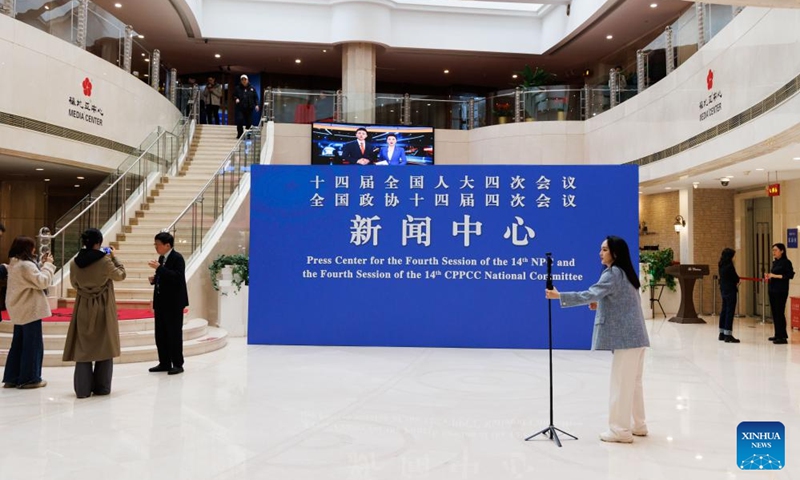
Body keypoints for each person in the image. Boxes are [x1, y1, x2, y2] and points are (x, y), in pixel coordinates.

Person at [544, 235, 650, 443]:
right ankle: (639, 425)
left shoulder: (612, 274)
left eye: (604, 250)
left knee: (621, 384)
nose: (600, 253)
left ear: (615, 253)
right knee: (633, 383)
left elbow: (590, 294)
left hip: (627, 339)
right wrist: (600, 304)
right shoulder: (626, 273)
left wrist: (560, 296)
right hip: (637, 337)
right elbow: (620, 302)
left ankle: (620, 431)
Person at [62, 229, 126, 398]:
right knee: (104, 345)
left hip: (83, 305)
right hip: (103, 306)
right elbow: (120, 275)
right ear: (98, 243)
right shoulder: (105, 261)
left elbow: (75, 284)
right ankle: (102, 387)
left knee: (83, 349)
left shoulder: (75, 263)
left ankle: (82, 390)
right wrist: (114, 257)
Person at [2, 236, 55, 389]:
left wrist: (41, 264)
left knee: (17, 344)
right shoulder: (25, 266)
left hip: (19, 308)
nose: (34, 249)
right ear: (27, 248)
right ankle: (29, 378)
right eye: (32, 247)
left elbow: (29, 277)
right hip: (29, 309)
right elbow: (43, 281)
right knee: (32, 345)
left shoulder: (15, 263)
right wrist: (48, 266)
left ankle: (12, 377)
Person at [147, 232, 189, 375]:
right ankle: (164, 362)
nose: (156, 247)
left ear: (167, 245)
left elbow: (177, 277)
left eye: (157, 244)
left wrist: (159, 269)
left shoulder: (177, 258)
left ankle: (177, 363)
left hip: (174, 303)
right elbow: (165, 276)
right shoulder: (162, 258)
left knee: (174, 333)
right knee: (161, 334)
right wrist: (155, 279)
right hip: (161, 302)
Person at [766, 242, 794, 345]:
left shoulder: (786, 262)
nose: (774, 252)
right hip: (772, 289)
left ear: (782, 251)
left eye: (776, 250)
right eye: (773, 250)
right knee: (775, 313)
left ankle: (782, 336)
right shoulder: (775, 262)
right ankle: (777, 334)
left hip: (781, 291)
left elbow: (789, 275)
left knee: (779, 312)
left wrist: (775, 276)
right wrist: (769, 276)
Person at [717, 247, 740, 343]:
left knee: (724, 310)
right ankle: (728, 335)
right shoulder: (730, 266)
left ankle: (722, 333)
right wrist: (738, 281)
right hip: (730, 290)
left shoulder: (721, 264)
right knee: (730, 311)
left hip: (723, 289)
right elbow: (735, 278)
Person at [233, 74, 260, 139]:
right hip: (240, 107)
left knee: (249, 122)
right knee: (240, 120)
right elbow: (233, 95)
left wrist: (256, 105)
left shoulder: (252, 88)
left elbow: (255, 97)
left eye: (245, 79)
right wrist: (236, 98)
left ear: (247, 80)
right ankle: (240, 134)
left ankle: (248, 135)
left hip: (249, 108)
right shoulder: (237, 88)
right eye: (242, 80)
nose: (244, 81)